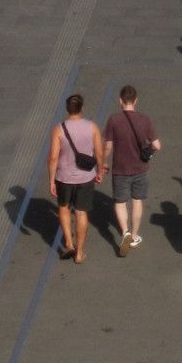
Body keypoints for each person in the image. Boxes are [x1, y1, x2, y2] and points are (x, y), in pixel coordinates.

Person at [102, 85, 160, 255]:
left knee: (120, 202)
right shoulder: (145, 120)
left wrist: (103, 162)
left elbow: (108, 146)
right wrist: (149, 152)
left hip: (120, 168)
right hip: (140, 168)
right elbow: (157, 145)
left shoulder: (114, 120)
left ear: (120, 101)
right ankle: (134, 235)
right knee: (137, 201)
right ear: (135, 101)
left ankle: (125, 231)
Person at [50, 93, 104, 265]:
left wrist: (51, 179)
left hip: (64, 177)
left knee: (64, 208)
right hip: (85, 178)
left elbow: (53, 157)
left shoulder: (59, 129)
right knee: (81, 212)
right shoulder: (92, 127)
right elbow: (99, 152)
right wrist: (100, 170)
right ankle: (80, 252)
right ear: (82, 108)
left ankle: (68, 242)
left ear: (67, 109)